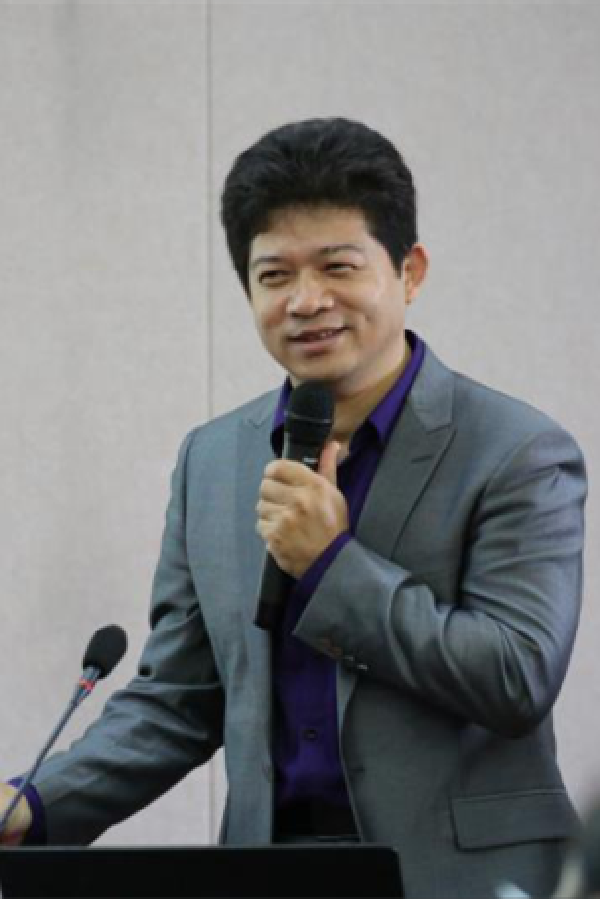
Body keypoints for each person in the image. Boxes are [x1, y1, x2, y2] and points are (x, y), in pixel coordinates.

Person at [0, 118, 587, 898]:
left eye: (338, 265)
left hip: (461, 877)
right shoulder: (213, 459)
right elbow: (179, 700)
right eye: (275, 274)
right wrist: (34, 802)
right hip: (268, 870)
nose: (307, 301)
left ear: (409, 271)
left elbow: (516, 674)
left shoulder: (517, 449)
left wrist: (331, 565)